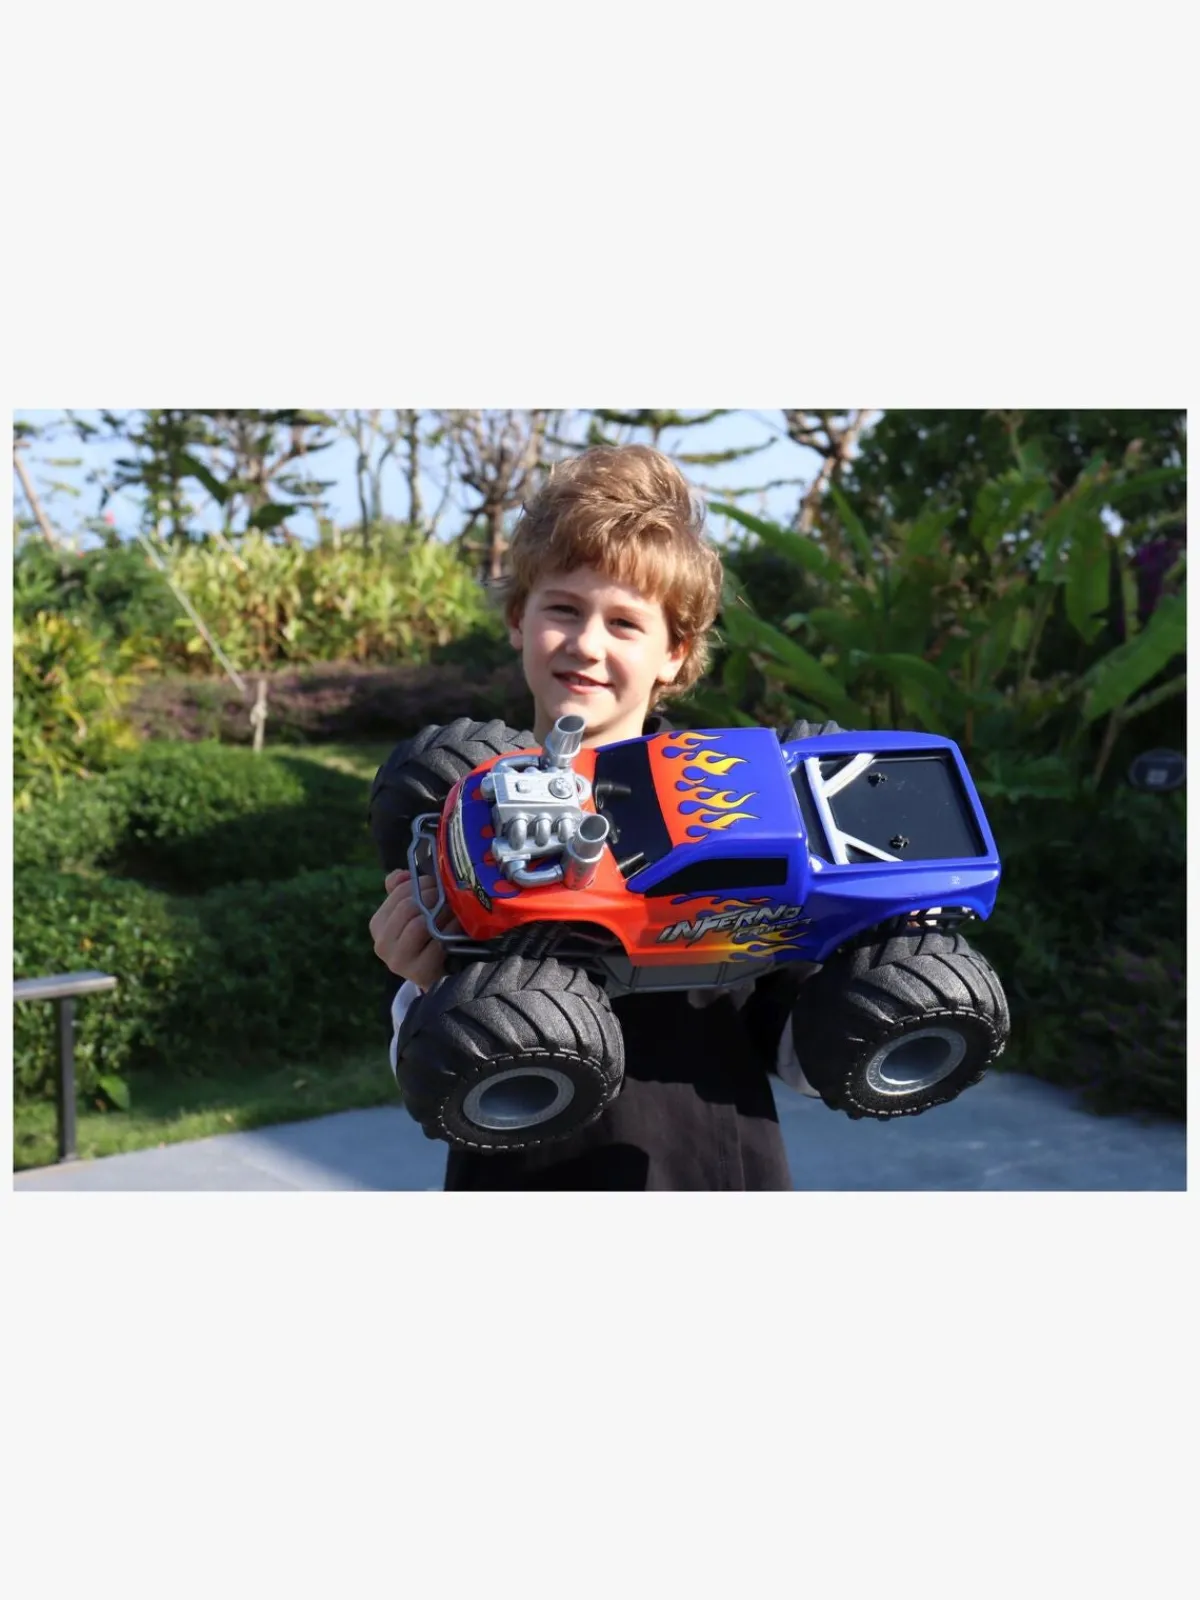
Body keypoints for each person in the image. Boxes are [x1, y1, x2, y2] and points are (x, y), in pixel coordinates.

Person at [368, 444, 815, 1190]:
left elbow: (799, 1051)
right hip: (515, 1171)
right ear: (519, 618)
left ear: (675, 652)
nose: (586, 645)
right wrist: (415, 984)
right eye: (564, 610)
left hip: (703, 1169)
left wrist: (867, 962)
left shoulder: (740, 803)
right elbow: (417, 1067)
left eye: (625, 624)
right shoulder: (459, 805)